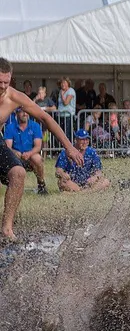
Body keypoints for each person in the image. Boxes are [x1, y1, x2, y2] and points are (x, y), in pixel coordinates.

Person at [0, 59, 84, 239]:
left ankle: (7, 229)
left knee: (18, 173)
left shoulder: (14, 97)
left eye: (6, 82)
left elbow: (46, 118)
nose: (2, 86)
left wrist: (69, 147)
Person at [4, 108, 48, 195]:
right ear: (17, 113)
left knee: (37, 158)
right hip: (16, 156)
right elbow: (8, 147)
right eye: (22, 112)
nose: (25, 114)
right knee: (10, 156)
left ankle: (41, 184)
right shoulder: (10, 127)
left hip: (30, 156)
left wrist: (29, 153)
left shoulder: (35, 126)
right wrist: (14, 152)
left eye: (27, 112)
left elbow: (38, 146)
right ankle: (13, 186)